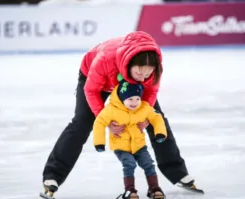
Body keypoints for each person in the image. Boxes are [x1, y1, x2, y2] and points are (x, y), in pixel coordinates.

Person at [41, 31, 202, 198]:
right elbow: (91, 90)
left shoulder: (153, 71)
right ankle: (53, 176)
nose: (143, 77)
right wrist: (105, 120)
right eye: (139, 73)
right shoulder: (104, 60)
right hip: (96, 80)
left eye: (147, 75)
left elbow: (150, 94)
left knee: (157, 119)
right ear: (129, 63)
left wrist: (145, 117)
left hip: (124, 81)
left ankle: (178, 172)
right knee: (82, 123)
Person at [93, 75, 167, 199]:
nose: (134, 103)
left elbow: (156, 117)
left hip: (139, 145)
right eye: (130, 99)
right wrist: (99, 143)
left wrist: (160, 133)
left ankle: (154, 188)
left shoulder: (143, 107)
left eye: (137, 98)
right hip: (121, 147)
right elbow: (99, 122)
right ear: (122, 98)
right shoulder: (111, 109)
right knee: (129, 164)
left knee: (148, 163)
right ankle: (130, 190)